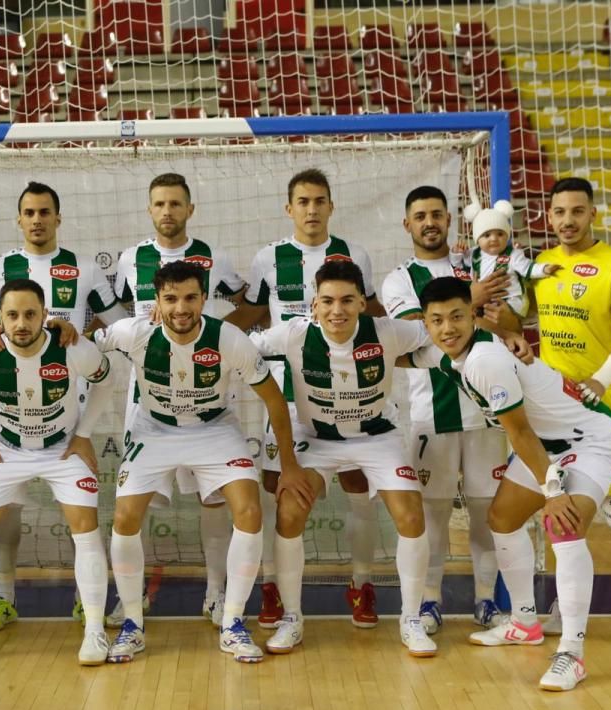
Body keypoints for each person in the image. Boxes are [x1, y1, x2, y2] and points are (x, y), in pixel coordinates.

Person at [412, 276, 611, 691]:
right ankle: (525, 622)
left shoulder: (485, 361)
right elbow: (406, 355)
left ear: (472, 315)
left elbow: (521, 434)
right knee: (503, 519)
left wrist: (554, 491)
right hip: (548, 443)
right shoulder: (453, 353)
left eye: (457, 316)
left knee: (562, 525)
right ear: (426, 323)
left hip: (590, 440)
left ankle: (572, 654)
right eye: (436, 320)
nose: (448, 328)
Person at [92, 261, 313, 664]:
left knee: (248, 510)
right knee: (124, 517)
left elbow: (274, 400)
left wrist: (290, 465)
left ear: (205, 298)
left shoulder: (228, 339)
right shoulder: (134, 332)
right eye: (171, 298)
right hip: (154, 429)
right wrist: (60, 330)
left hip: (214, 429)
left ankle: (232, 624)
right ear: (156, 301)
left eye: (191, 298)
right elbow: (88, 342)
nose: (181, 308)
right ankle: (133, 626)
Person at [250, 261, 442, 656]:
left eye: (347, 301)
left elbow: (440, 332)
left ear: (361, 303)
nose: (337, 310)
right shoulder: (293, 334)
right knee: (289, 511)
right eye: (328, 301)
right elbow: (238, 347)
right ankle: (292, 618)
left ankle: (410, 618)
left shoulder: (387, 331)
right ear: (314, 305)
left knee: (410, 514)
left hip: (376, 437)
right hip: (316, 439)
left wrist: (497, 336)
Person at [0, 181, 127, 633]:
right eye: (29, 212)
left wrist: (82, 343)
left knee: (79, 512)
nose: (37, 219)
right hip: (10, 412)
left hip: (69, 410)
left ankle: (86, 600)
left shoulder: (82, 269)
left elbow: (115, 325)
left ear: (58, 217)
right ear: (18, 220)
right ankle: (4, 597)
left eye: (44, 212)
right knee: (7, 510)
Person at [238, 167, 386, 630]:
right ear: (289, 208)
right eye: (303, 201)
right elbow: (253, 312)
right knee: (274, 492)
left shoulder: (353, 254)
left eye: (319, 200)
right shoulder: (268, 258)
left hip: (348, 395)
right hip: (282, 395)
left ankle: (362, 584)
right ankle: (271, 587)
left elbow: (375, 313)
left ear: (331, 206)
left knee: (359, 488)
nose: (312, 209)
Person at [0, 279, 114, 666]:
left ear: (45, 315)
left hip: (61, 449)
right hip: (6, 450)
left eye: (29, 314)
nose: (20, 323)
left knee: (86, 529)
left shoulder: (71, 346)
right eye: (11, 315)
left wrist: (84, 434)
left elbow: (107, 380)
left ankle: (94, 633)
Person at [112, 172, 253, 627]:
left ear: (190, 209)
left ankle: (216, 591)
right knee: (139, 500)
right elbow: (116, 314)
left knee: (214, 499)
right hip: (148, 398)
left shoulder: (214, 257)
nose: (167, 211)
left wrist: (220, 336)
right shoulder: (131, 259)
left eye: (176, 203)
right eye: (159, 204)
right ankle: (133, 598)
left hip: (206, 394)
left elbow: (246, 303)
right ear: (149, 209)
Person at [380, 185, 514, 635]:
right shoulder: (399, 280)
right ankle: (430, 601)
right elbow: (414, 332)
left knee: (486, 512)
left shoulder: (478, 262)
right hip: (430, 414)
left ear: (450, 220)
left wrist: (488, 304)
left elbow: (510, 320)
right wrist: (470, 299)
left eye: (436, 214)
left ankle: (486, 600)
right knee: (432, 514)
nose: (429, 222)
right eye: (420, 216)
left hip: (487, 412)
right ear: (408, 224)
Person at [532, 177, 611, 647]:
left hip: (605, 406)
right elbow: (515, 316)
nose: (568, 220)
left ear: (593, 215)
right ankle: (566, 603)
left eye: (577, 211)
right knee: (556, 505)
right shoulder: (541, 265)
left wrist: (600, 380)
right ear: (548, 216)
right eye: (559, 211)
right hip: (553, 409)